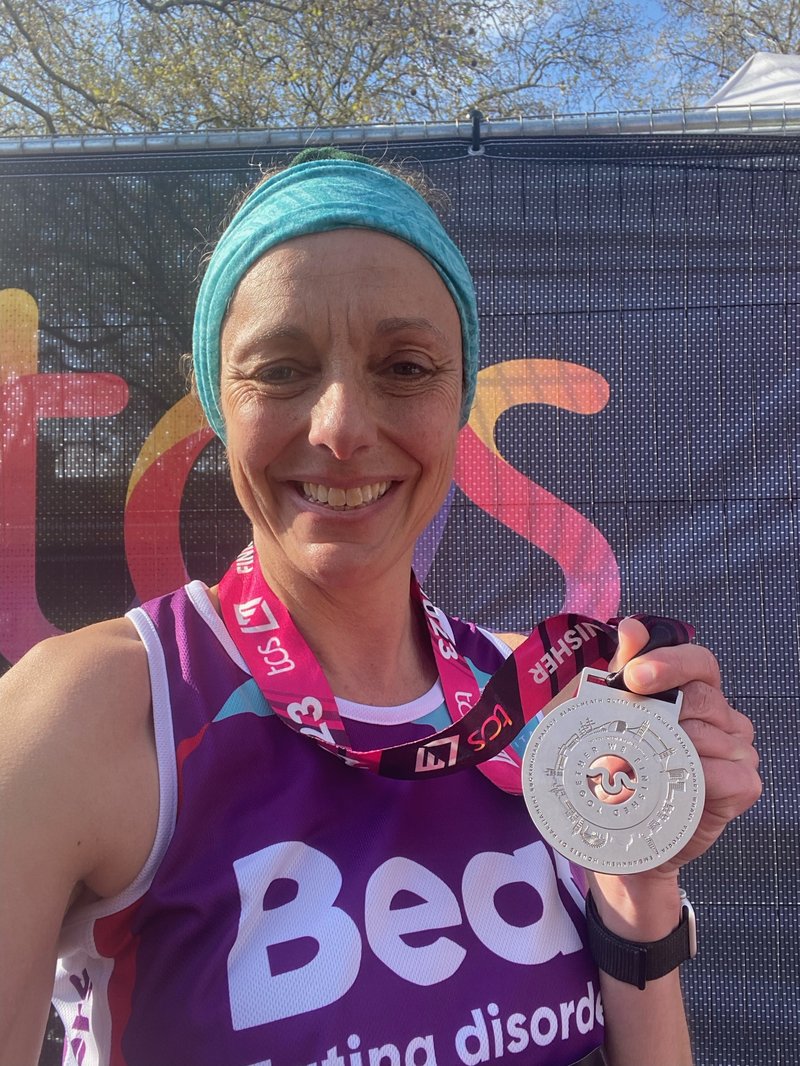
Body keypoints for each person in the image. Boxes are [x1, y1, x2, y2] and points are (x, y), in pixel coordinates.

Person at [0, 149, 761, 1066]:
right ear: (217, 401)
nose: (341, 427)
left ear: (459, 401)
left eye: (404, 366)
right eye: (280, 369)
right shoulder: (86, 712)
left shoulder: (548, 704)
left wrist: (638, 891)